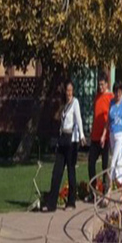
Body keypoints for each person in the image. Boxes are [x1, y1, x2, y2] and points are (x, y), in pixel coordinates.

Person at [42, 80, 84, 212]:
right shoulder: (65, 105)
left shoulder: (75, 103)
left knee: (71, 170)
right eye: (67, 90)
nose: (69, 93)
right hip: (63, 139)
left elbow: (78, 119)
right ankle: (51, 203)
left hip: (71, 140)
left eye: (71, 90)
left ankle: (71, 202)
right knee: (57, 171)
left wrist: (82, 136)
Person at [102, 81, 122, 201]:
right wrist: (104, 134)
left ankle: (108, 191)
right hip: (113, 135)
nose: (117, 94)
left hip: (121, 135)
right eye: (116, 92)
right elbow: (108, 120)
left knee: (112, 164)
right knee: (119, 166)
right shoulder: (112, 103)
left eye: (119, 92)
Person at [87, 73, 112, 202]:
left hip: (105, 137)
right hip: (95, 137)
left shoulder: (111, 97)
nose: (100, 87)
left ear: (107, 84)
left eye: (102, 84)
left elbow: (110, 117)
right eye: (99, 84)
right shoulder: (97, 97)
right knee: (91, 163)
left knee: (105, 165)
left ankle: (106, 192)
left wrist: (105, 133)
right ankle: (93, 192)